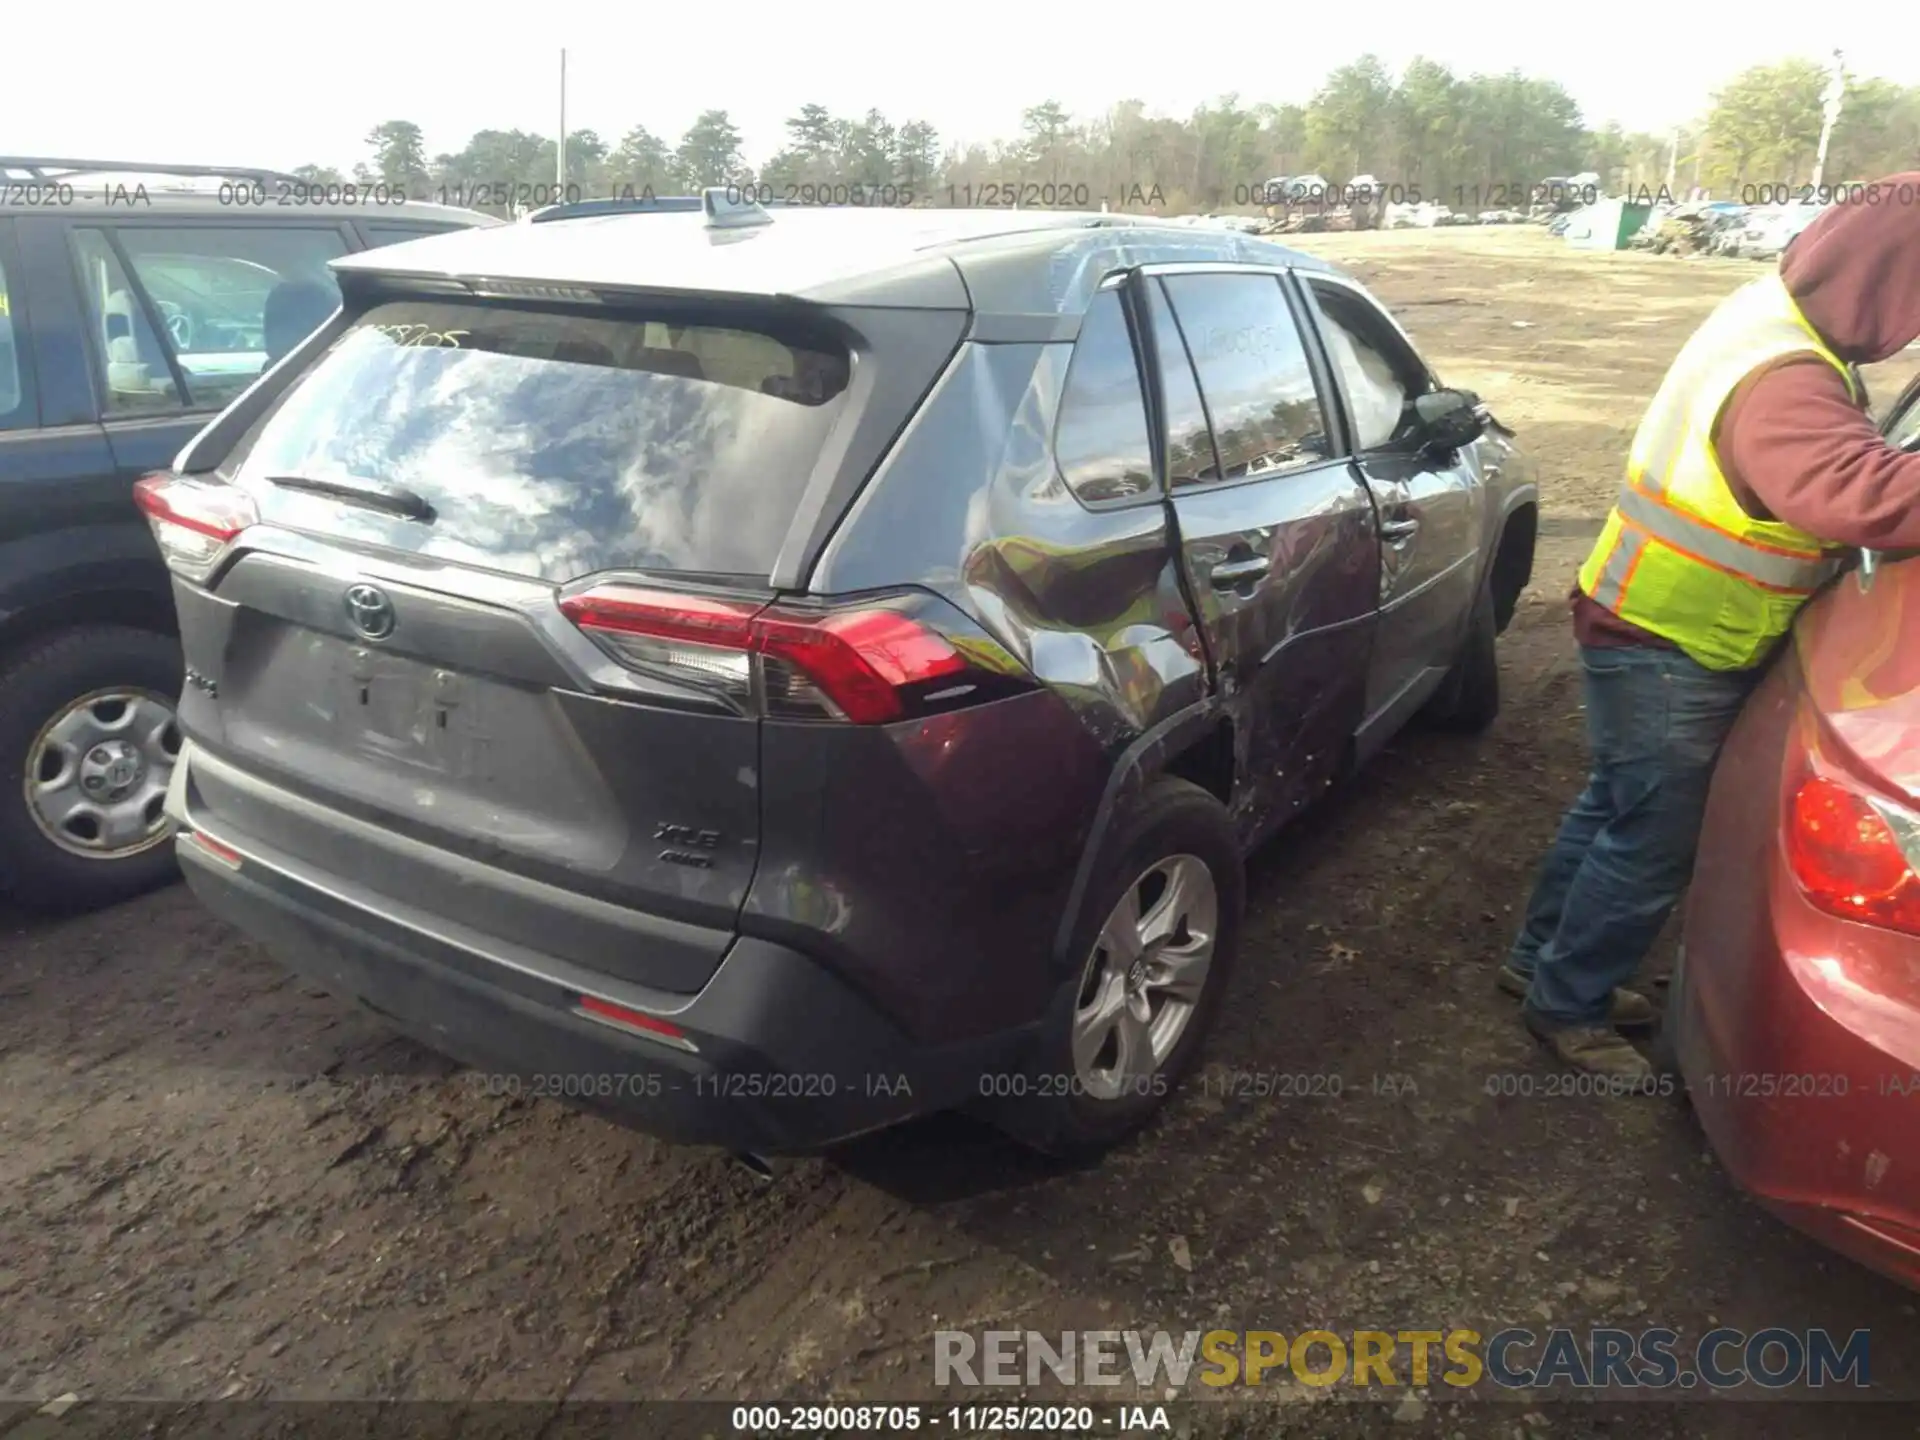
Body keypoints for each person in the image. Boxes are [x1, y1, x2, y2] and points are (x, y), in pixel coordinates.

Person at [1504, 174, 1920, 1081]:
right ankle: (1566, 1007)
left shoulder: (1770, 317)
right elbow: (1859, 493)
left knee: (1617, 807)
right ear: (1890, 277)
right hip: (1674, 645)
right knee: (1650, 839)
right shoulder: (1786, 378)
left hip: (1639, 618)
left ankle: (1539, 962)